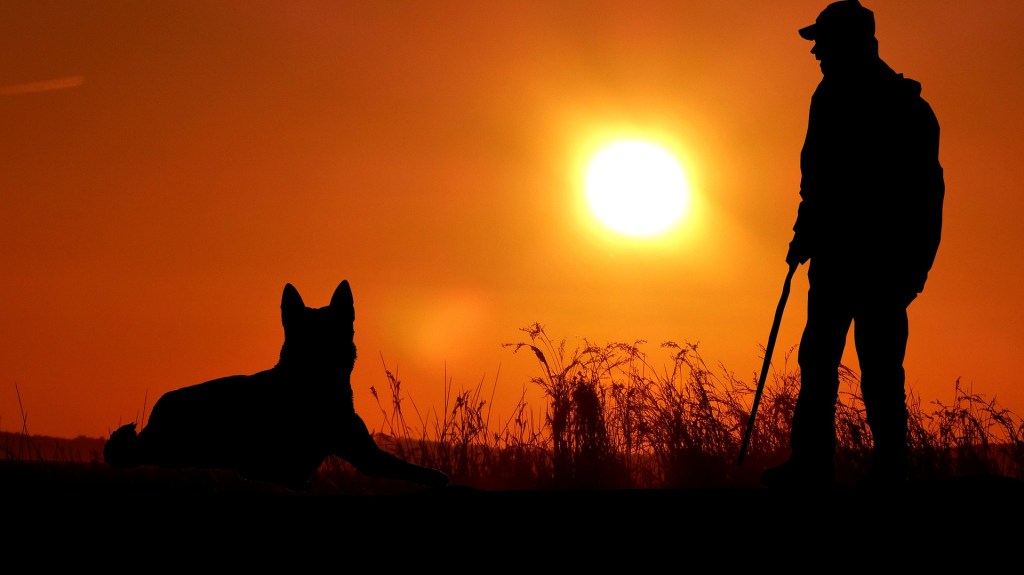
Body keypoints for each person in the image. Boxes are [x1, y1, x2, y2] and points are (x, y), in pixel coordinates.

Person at [760, 0, 944, 487]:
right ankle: (812, 465)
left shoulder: (905, 108)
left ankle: (889, 470)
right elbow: (816, 179)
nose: (816, 51)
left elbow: (927, 194)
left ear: (853, 43)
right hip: (835, 260)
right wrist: (805, 231)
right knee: (818, 361)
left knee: (879, 370)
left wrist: (914, 270)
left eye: (823, 41)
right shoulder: (829, 97)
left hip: (882, 266)